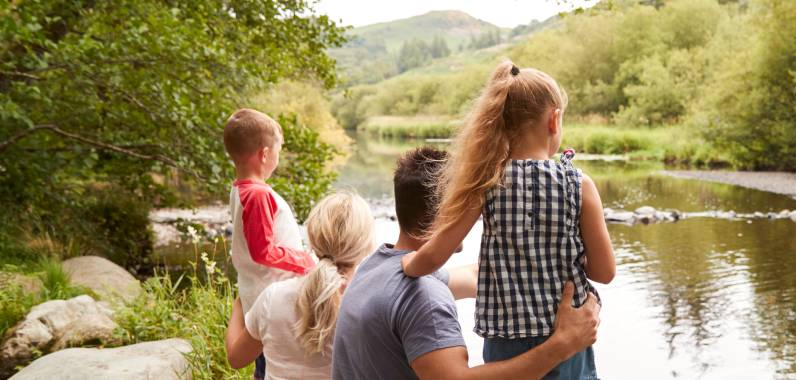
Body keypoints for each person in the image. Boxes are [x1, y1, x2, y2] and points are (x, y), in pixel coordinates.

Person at [400, 61, 616, 379]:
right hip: (567, 336)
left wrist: (406, 264)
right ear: (554, 120)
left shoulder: (485, 183)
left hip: (505, 347)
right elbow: (605, 272)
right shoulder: (579, 184)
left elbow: (432, 257)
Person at [333, 147, 601, 379]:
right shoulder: (424, 298)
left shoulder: (376, 267)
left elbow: (473, 277)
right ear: (451, 210)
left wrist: (535, 261)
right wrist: (564, 344)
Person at [224, 191, 375, 379]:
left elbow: (236, 359)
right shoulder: (370, 307)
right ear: (368, 246)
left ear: (311, 240)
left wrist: (239, 303)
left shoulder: (272, 298)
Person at [223, 108, 318, 379]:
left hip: (259, 291)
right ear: (264, 154)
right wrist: (306, 261)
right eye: (277, 150)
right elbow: (263, 251)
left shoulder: (240, 189)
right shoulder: (258, 195)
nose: (278, 156)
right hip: (271, 294)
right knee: (270, 359)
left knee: (266, 356)